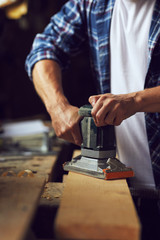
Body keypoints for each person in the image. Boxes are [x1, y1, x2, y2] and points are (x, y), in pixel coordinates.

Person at [25, 1, 160, 238]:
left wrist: (135, 101)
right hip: (122, 188)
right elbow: (45, 47)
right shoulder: (92, 4)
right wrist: (57, 107)